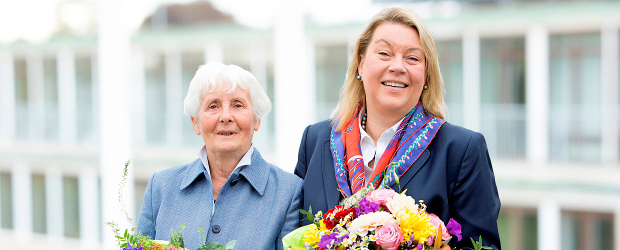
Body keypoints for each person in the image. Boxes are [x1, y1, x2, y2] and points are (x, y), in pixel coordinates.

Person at [294, 7, 501, 249]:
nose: (398, 67)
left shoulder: (461, 150)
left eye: (412, 58)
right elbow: (294, 234)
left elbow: (483, 246)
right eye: (384, 53)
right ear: (360, 64)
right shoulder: (316, 140)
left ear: (426, 75)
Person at [137, 62, 302, 250]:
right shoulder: (161, 186)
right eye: (213, 106)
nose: (225, 117)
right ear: (195, 122)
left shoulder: (289, 192)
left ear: (257, 119)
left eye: (237, 105)